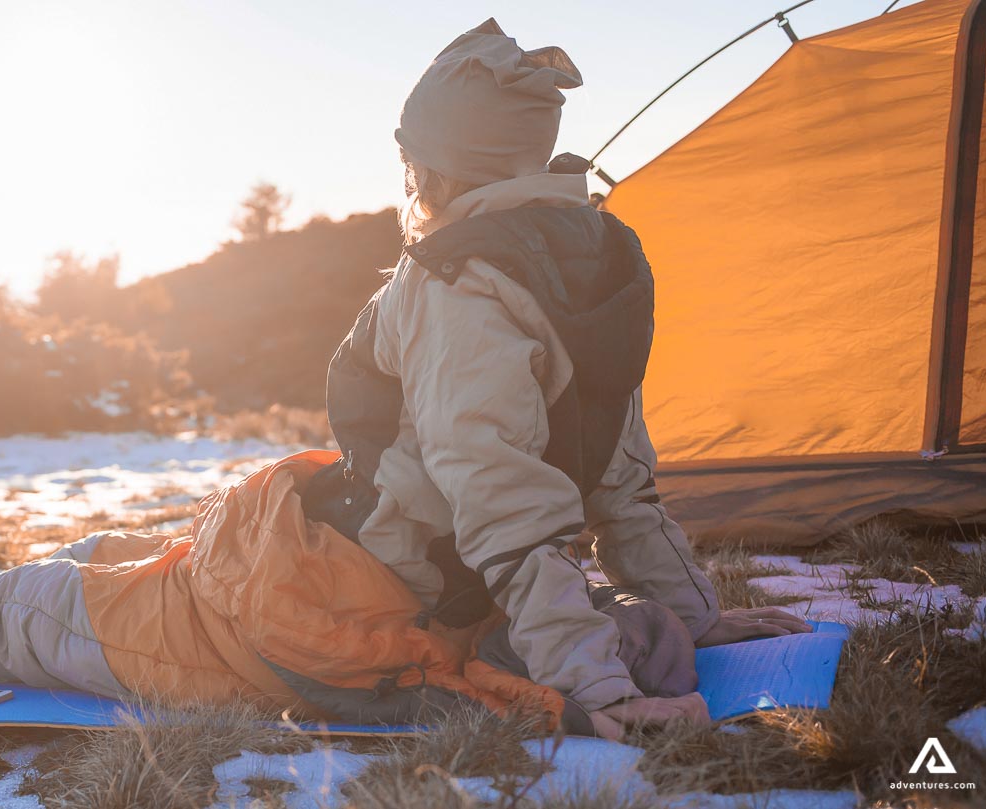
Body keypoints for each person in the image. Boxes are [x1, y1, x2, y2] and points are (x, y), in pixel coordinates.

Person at [308, 18, 811, 738]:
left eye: (412, 161)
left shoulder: (456, 286)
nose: (409, 179)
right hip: (404, 558)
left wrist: (598, 687)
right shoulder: (591, 256)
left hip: (370, 583)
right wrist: (690, 617)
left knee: (135, 619)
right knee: (121, 588)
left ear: (437, 170)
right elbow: (619, 481)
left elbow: (502, 502)